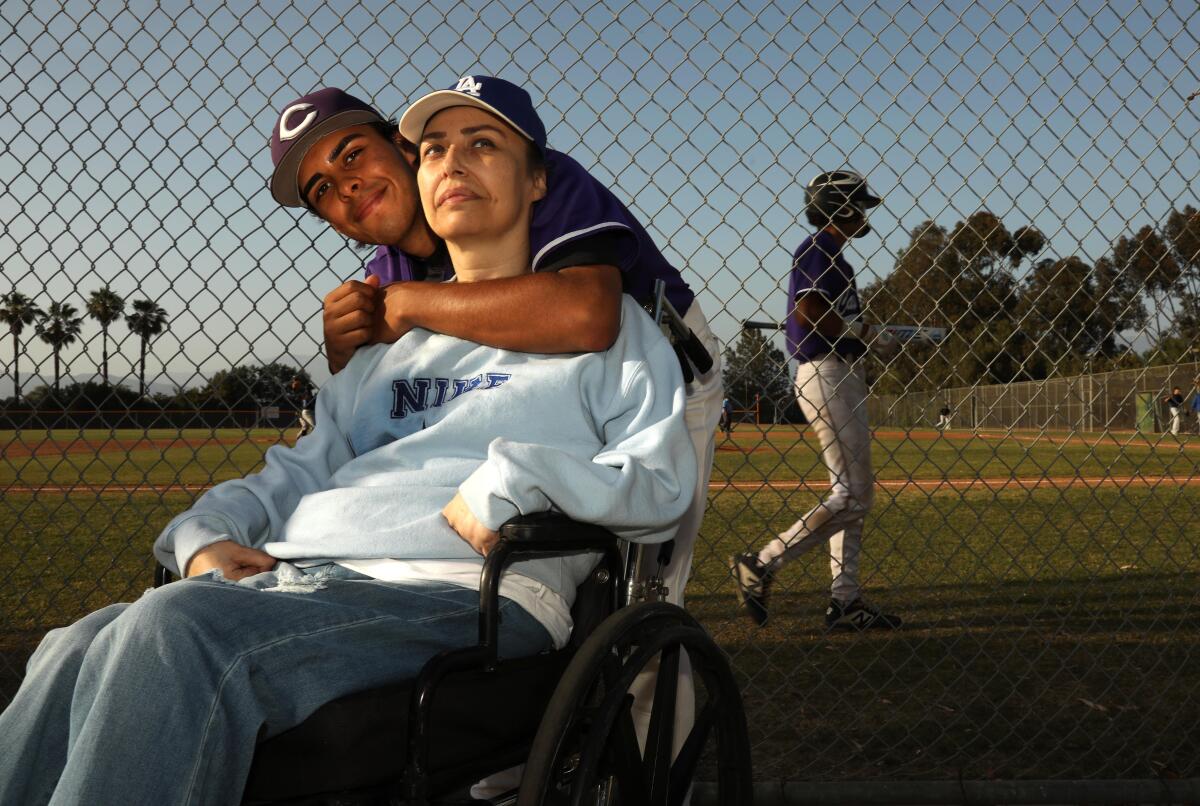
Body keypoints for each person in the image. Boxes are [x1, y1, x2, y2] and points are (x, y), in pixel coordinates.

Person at [0, 85, 697, 806]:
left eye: (482, 145)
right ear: (418, 175)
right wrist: (202, 532)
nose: (454, 162)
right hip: (311, 580)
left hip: (463, 591)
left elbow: (656, 478)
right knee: (73, 647)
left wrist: (523, 478)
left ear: (538, 179)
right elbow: (301, 466)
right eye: (435, 151)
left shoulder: (605, 320)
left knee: (174, 631)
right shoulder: (382, 340)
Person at [313, 77, 723, 620]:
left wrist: (412, 304)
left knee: (644, 596)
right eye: (320, 190)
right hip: (537, 411)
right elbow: (365, 416)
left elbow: (587, 315)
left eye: (354, 156)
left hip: (654, 373)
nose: (346, 187)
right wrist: (346, 354)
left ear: (402, 148)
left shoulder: (529, 174)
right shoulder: (386, 271)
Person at [730, 170, 901, 630]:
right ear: (840, 207)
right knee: (855, 496)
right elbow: (809, 312)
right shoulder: (818, 249)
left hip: (839, 372)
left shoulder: (838, 261)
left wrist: (868, 340)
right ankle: (763, 562)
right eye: (858, 204)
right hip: (825, 374)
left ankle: (845, 601)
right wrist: (862, 331)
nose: (864, 213)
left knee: (851, 495)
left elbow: (830, 321)